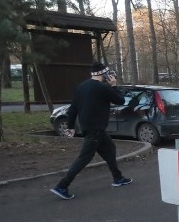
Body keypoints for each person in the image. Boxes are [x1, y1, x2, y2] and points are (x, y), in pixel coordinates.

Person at [50, 62, 133, 200]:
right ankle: (62, 185)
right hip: (96, 129)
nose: (110, 75)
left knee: (110, 149)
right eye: (108, 73)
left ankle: (118, 178)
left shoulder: (81, 87)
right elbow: (120, 100)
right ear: (104, 74)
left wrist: (70, 127)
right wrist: (114, 86)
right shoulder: (102, 88)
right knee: (84, 158)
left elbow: (73, 109)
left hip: (90, 128)